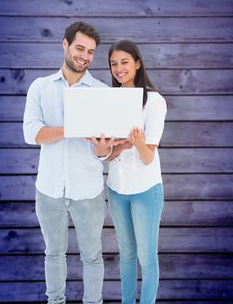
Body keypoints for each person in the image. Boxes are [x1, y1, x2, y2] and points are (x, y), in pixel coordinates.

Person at [23, 21, 118, 304]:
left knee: (92, 256)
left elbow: (104, 152)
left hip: (87, 192)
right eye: (80, 48)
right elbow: (32, 133)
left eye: (90, 51)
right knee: (53, 253)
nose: (85, 56)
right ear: (65, 44)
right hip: (49, 190)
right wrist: (72, 127)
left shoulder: (101, 92)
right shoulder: (40, 87)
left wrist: (103, 149)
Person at [107, 40, 167, 304]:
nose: (119, 69)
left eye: (124, 62)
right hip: (117, 189)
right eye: (113, 64)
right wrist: (118, 146)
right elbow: (106, 155)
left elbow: (147, 156)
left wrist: (137, 142)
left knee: (147, 257)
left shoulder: (154, 101)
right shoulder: (108, 101)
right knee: (127, 255)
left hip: (145, 190)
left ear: (138, 63)